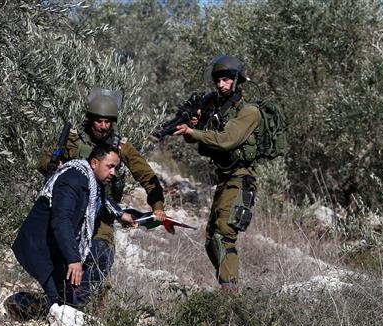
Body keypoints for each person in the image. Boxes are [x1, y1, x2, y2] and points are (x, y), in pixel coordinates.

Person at [37, 88, 166, 294]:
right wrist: (58, 165)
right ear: (90, 120)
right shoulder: (72, 141)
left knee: (100, 259)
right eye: (99, 121)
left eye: (108, 122)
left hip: (103, 213)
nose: (104, 127)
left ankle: (96, 309)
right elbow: (44, 162)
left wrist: (157, 206)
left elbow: (147, 176)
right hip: (72, 209)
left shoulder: (121, 147)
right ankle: (58, 303)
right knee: (63, 258)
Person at [172, 55, 262, 292]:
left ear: (236, 81)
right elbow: (205, 145)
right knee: (212, 238)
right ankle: (227, 286)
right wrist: (195, 126)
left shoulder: (249, 112)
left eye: (225, 80)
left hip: (241, 178)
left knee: (224, 235)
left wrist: (195, 133)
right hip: (225, 178)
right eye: (217, 81)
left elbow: (226, 140)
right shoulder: (218, 109)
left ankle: (229, 296)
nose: (220, 85)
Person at [12, 144, 135, 308]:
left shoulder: (91, 182)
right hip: (40, 247)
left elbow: (102, 199)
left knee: (68, 301)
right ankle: (17, 304)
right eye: (110, 166)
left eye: (115, 167)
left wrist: (121, 214)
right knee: (62, 304)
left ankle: (53, 308)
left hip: (56, 249)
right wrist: (73, 259)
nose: (113, 172)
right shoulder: (72, 180)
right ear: (94, 163)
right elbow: (61, 220)